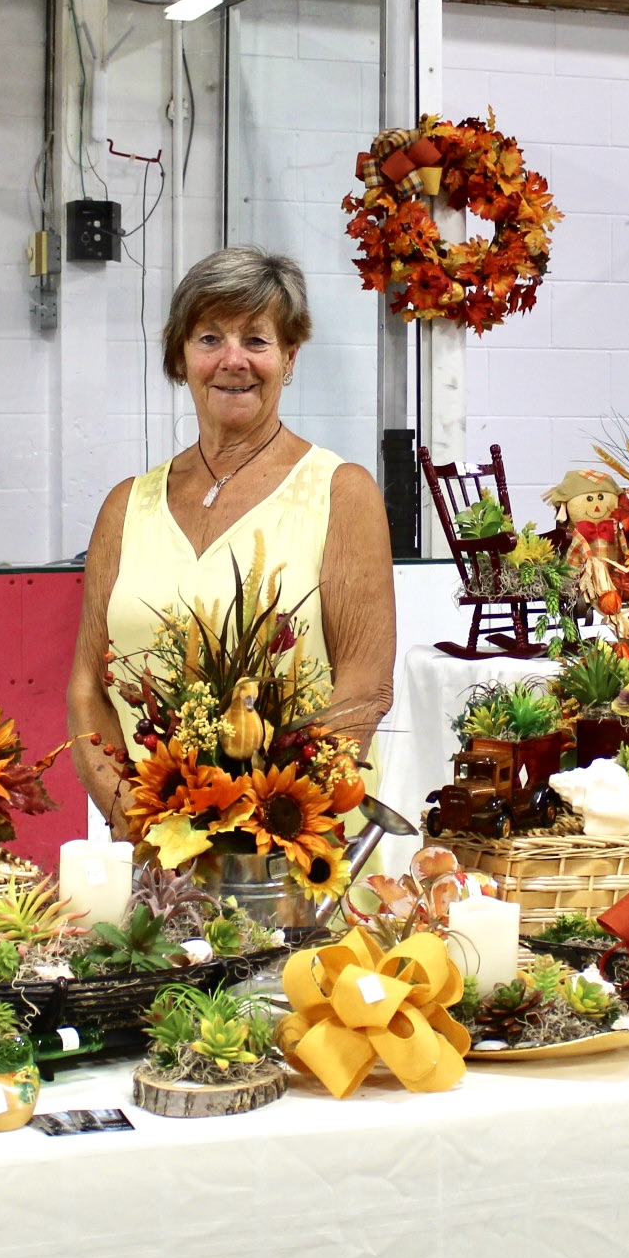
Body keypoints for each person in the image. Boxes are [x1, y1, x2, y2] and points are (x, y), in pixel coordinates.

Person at [66, 248, 397, 837]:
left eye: (257, 340)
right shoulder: (125, 506)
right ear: (181, 357)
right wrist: (138, 824)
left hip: (287, 846)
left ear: (290, 357)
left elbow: (363, 688)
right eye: (210, 338)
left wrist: (268, 830)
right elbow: (89, 687)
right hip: (148, 845)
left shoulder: (340, 493)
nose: (233, 360)